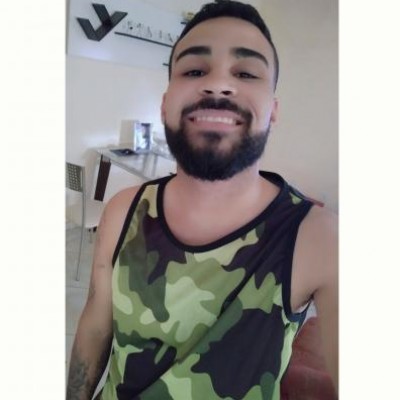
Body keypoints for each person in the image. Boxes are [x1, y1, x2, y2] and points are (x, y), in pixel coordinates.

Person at [66, 1, 338, 399]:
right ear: (165, 104)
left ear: (273, 111)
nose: (218, 84)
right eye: (194, 70)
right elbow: (95, 324)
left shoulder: (319, 238)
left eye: (246, 73)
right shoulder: (123, 210)